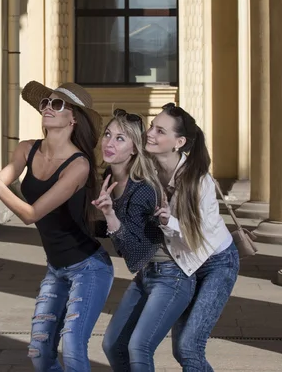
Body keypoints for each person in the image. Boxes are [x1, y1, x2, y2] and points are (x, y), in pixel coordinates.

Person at [0, 81, 114, 372]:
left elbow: (31, 214)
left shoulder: (78, 166)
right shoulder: (27, 150)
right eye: (45, 103)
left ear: (73, 118)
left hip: (89, 269)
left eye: (56, 104)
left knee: (72, 349)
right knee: (40, 353)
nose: (46, 108)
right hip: (56, 267)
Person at [94, 109, 196, 372]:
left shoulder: (142, 189)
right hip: (147, 275)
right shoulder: (109, 179)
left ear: (134, 149)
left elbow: (135, 254)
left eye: (120, 139)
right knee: (113, 344)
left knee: (138, 347)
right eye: (108, 134)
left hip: (172, 276)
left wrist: (110, 216)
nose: (109, 143)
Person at [146, 102, 239, 372]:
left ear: (179, 142)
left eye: (160, 130)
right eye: (152, 126)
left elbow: (200, 240)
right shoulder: (149, 171)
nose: (150, 133)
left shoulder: (200, 182)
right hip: (184, 265)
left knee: (189, 346)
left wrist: (168, 221)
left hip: (217, 263)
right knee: (181, 348)